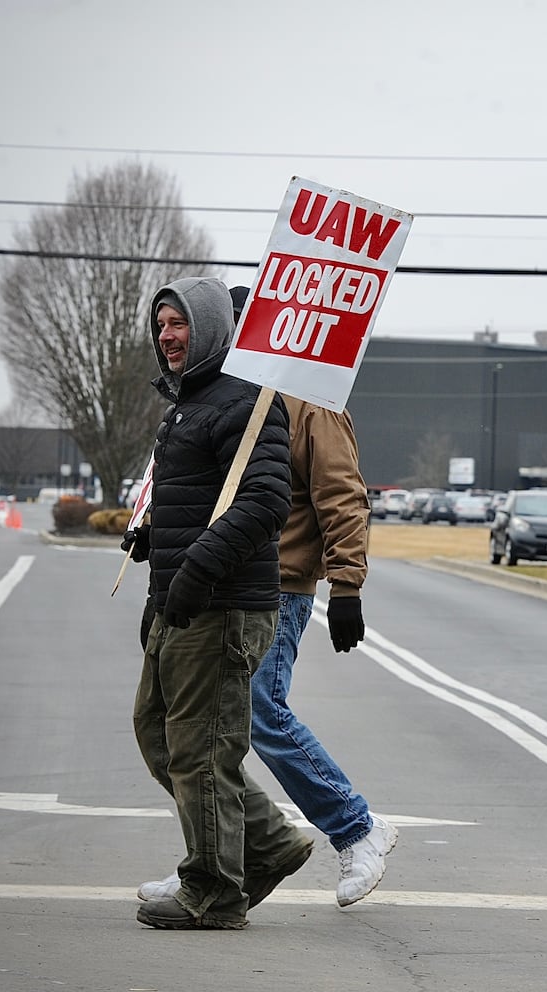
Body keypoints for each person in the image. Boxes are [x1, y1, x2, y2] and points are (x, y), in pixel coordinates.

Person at [136, 285, 396, 911]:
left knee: (253, 713)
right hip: (220, 582)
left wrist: (347, 587)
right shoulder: (223, 393)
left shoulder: (311, 400)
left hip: (276, 581)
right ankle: (227, 854)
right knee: (196, 728)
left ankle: (355, 827)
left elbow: (341, 494)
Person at [124, 276, 312, 930]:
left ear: (208, 328)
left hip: (223, 605)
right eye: (161, 325)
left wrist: (195, 571)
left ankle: (212, 892)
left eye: (178, 323)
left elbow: (263, 504)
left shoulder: (245, 403)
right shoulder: (188, 403)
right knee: (156, 733)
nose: (167, 336)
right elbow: (205, 499)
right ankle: (265, 845)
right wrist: (155, 540)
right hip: (179, 599)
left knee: (202, 750)